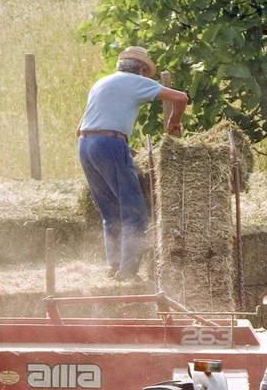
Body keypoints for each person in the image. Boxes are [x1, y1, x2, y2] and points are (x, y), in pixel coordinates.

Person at [77, 45, 188, 282]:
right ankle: (128, 271)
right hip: (108, 144)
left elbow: (81, 128)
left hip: (86, 146)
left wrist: (120, 145)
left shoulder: (101, 83)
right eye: (146, 74)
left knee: (110, 211)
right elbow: (181, 98)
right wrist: (173, 122)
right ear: (140, 70)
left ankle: (114, 265)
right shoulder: (134, 80)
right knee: (134, 211)